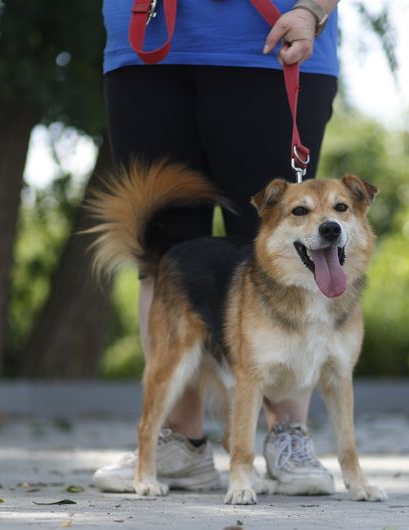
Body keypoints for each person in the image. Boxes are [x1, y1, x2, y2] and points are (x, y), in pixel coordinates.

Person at [92, 0, 343, 495]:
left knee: (285, 252)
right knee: (162, 257)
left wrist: (312, 10)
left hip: (270, 39)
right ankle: (178, 441)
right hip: (145, 45)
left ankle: (288, 436)